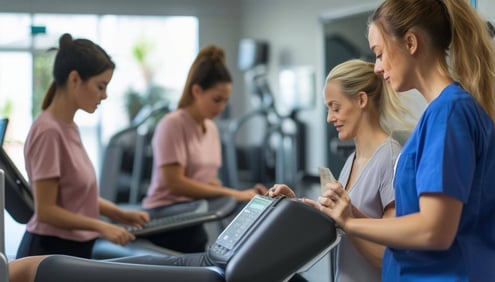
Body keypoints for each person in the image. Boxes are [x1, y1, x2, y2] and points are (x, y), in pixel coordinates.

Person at [321, 0, 495, 281]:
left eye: (379, 54)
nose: (376, 68)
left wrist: (351, 224)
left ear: (411, 43)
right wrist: (351, 214)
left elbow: (433, 230)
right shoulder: (440, 114)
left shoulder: (448, 113)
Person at [268, 59, 416, 282]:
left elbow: (389, 257)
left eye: (335, 107)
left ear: (361, 99)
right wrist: (297, 206)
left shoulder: (391, 158)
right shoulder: (351, 161)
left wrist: (348, 221)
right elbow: (342, 222)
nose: (329, 118)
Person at [16, 33, 150, 260]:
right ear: (75, 79)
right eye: (101, 86)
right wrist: (101, 226)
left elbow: (74, 195)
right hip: (48, 251)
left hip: (71, 250)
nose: (105, 95)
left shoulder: (68, 127)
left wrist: (119, 214)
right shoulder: (48, 131)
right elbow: (46, 210)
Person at [140, 44, 267, 253]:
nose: (221, 107)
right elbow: (175, 183)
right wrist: (234, 194)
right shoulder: (172, 124)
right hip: (165, 220)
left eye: (225, 101)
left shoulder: (211, 128)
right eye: (216, 99)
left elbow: (207, 179)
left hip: (193, 217)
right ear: (197, 91)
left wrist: (246, 193)